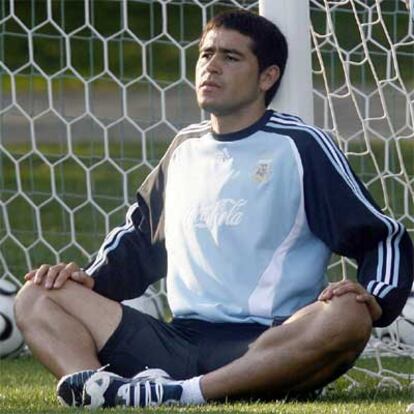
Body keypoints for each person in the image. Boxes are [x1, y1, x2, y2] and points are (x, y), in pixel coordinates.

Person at [14, 10, 413, 409]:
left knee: (348, 316)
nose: (212, 67)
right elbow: (138, 243)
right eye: (206, 55)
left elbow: (381, 238)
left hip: (266, 345)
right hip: (174, 342)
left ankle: (187, 393)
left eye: (231, 57)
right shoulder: (184, 149)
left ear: (267, 77)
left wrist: (376, 296)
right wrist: (82, 280)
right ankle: (98, 389)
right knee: (37, 295)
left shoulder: (300, 146)